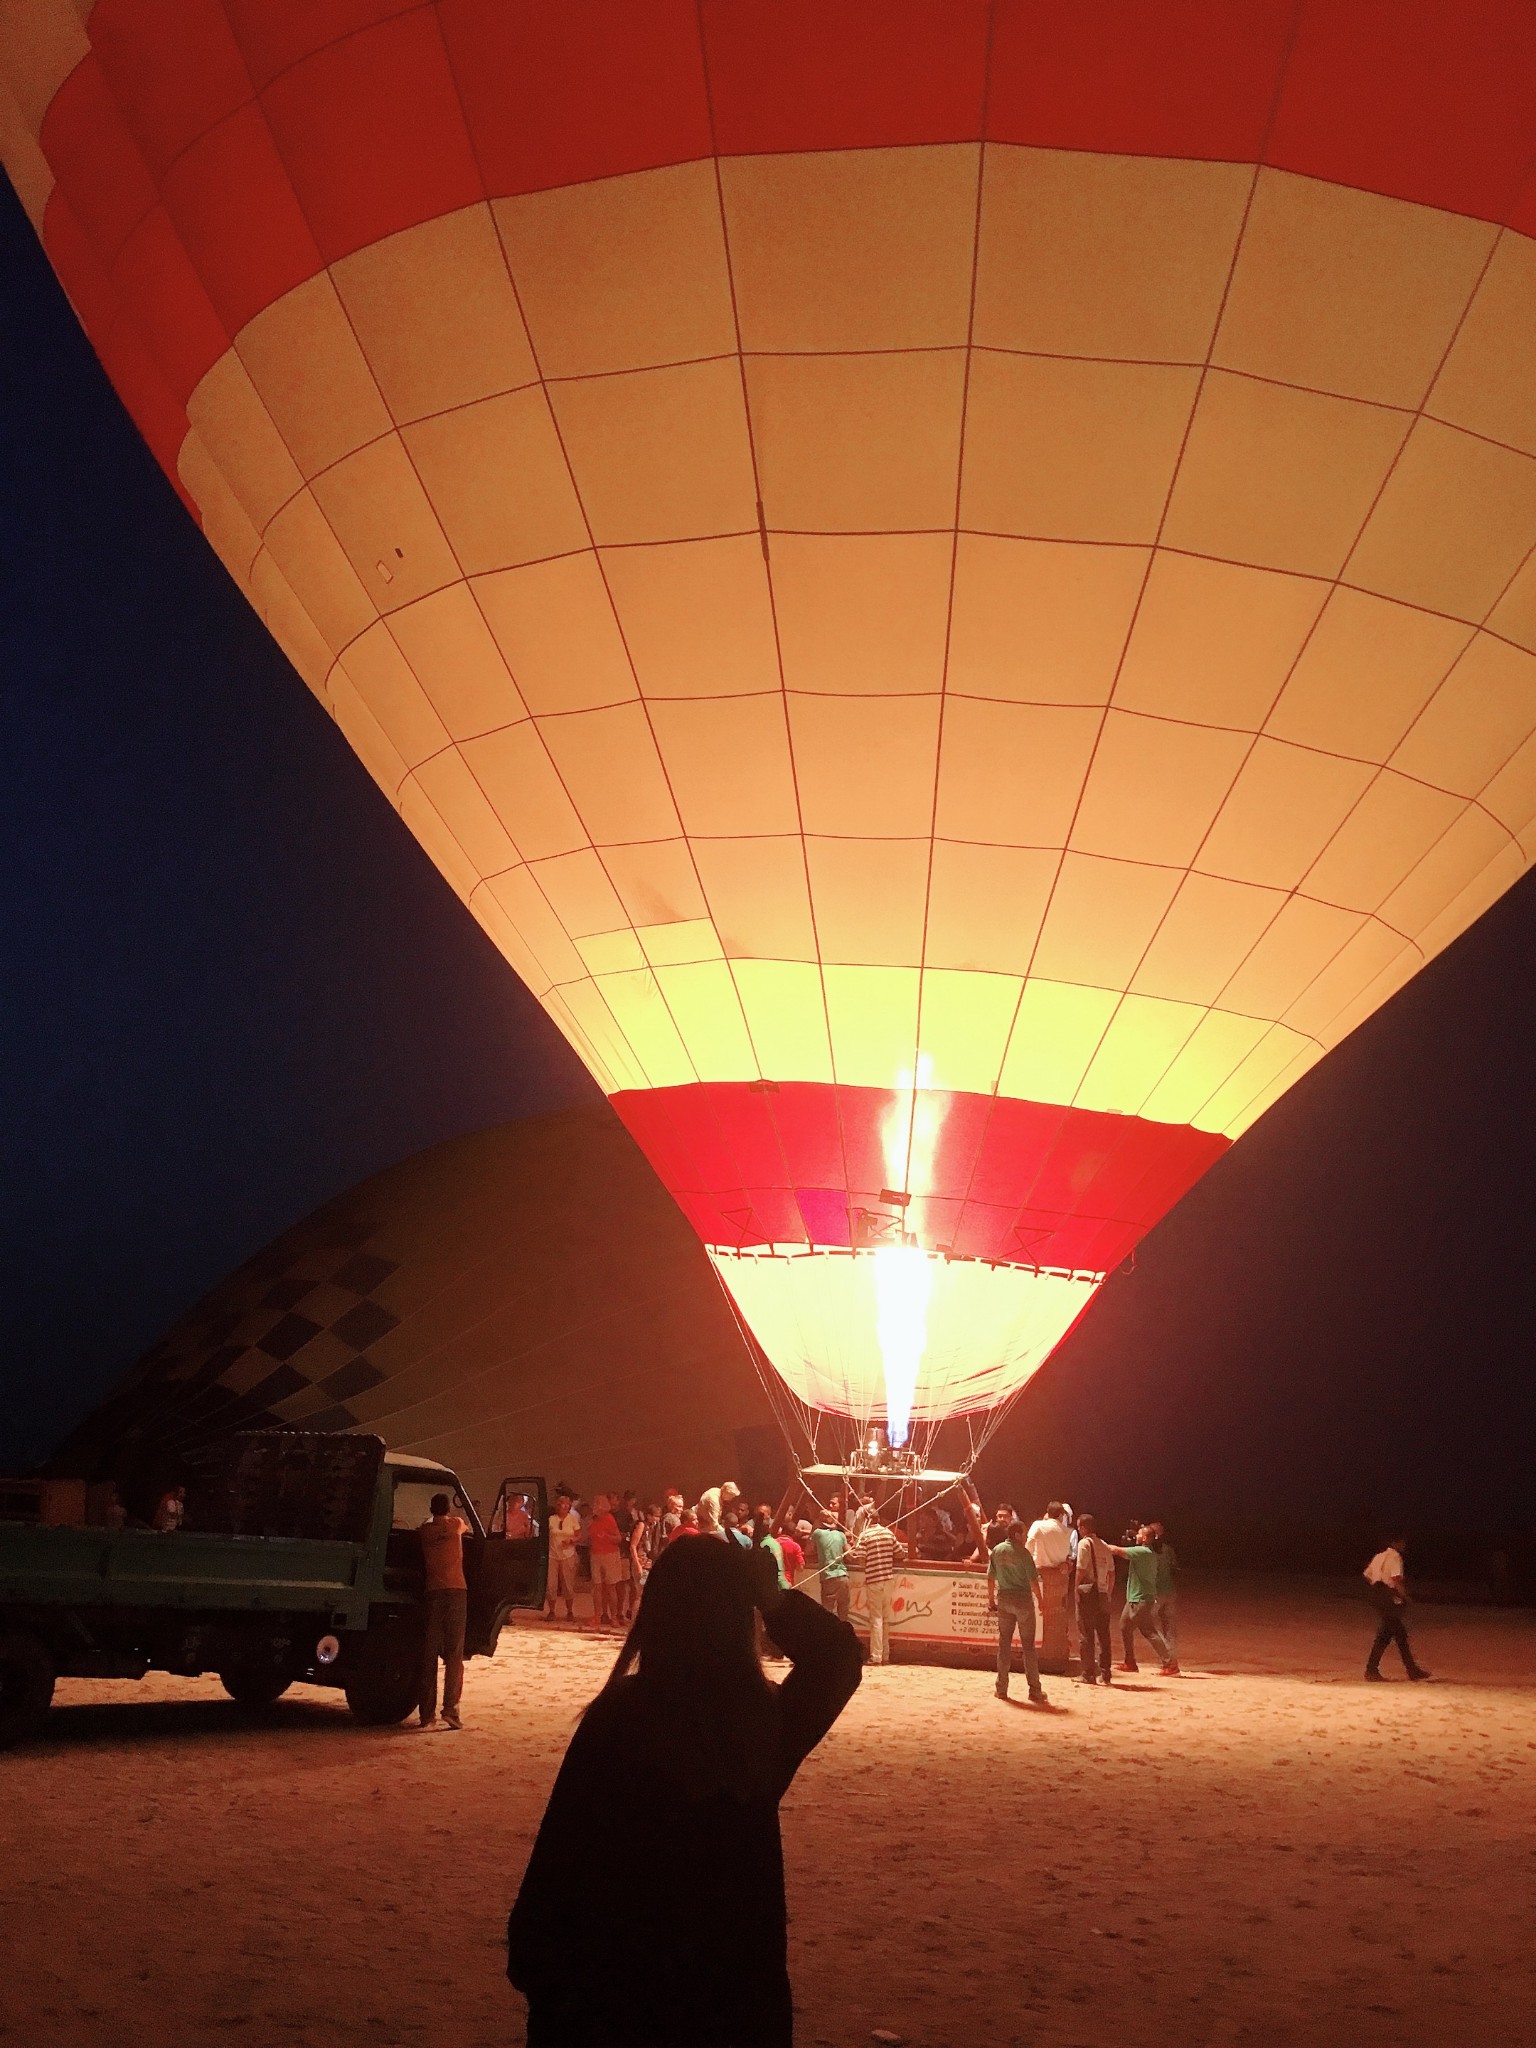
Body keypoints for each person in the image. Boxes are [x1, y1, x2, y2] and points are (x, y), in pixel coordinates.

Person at [506, 1532, 862, 2047]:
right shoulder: (758, 1728)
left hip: (617, 1995)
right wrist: (775, 1597)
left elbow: (562, 1852)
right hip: (729, 2000)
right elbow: (836, 1659)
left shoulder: (619, 1719)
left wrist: (540, 1971)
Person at [418, 1491, 469, 1730]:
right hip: (456, 1589)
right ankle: (451, 1709)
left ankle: (426, 1714)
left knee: (429, 1654)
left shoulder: (425, 1532)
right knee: (454, 1653)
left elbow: (425, 1526)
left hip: (433, 1591)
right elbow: (466, 1528)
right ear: (448, 1508)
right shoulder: (456, 1525)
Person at [987, 1517, 1047, 1704]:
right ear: (1017, 1534)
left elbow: (990, 1577)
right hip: (1023, 1601)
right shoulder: (1024, 1554)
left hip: (1004, 1599)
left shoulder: (997, 1551)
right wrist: (1041, 1601)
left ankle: (1001, 1689)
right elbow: (1033, 1581)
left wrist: (991, 1600)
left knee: (1004, 1645)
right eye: (1024, 1532)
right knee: (1028, 1647)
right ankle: (1035, 1691)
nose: (1026, 1535)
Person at [1109, 1527, 1178, 1675]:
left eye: (1140, 1534)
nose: (1137, 1536)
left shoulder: (1143, 1552)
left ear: (1145, 1539)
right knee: (1125, 1626)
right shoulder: (1147, 1552)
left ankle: (1170, 1664)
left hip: (1141, 1598)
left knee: (1149, 1631)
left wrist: (1095, 1543)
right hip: (1135, 1598)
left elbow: (1116, 1550)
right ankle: (1130, 1662)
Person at [1364, 1537, 1431, 1681]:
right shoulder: (1395, 1557)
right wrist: (1404, 1596)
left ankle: (1410, 1670)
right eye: (1402, 1542)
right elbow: (1396, 1578)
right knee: (1393, 1635)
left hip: (1378, 1594)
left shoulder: (1379, 1556)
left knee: (1394, 1634)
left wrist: (1379, 1584)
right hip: (1389, 1595)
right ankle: (1373, 1670)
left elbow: (1368, 1575)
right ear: (1395, 1543)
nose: (1404, 1545)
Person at [848, 1506, 907, 1665]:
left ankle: (876, 1656)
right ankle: (885, 1655)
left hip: (874, 1580)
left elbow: (861, 1560)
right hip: (888, 1579)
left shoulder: (865, 1535)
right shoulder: (888, 1533)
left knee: (876, 1619)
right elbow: (900, 1552)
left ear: (867, 1520)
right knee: (886, 1618)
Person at [1073, 1513, 1115, 1685]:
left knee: (1086, 1634)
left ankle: (1088, 1674)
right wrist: (1108, 1592)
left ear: (1083, 1527)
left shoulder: (1085, 1544)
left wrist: (1075, 1589)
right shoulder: (1104, 1546)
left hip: (1089, 1593)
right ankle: (1105, 1674)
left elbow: (1081, 1569)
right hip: (1103, 1594)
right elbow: (1112, 1573)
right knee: (1104, 1635)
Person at [586, 1492, 623, 1628]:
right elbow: (588, 1537)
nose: (594, 1506)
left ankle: (613, 1617)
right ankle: (598, 1616)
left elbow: (618, 1538)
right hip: (596, 1555)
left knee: (610, 1587)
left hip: (610, 1555)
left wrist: (606, 1536)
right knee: (597, 1587)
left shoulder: (609, 1519)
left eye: (597, 1504)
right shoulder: (592, 1520)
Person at [545, 1490, 581, 1622]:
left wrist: (571, 1541)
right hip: (552, 1555)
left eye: (566, 1506)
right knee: (551, 1584)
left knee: (567, 1583)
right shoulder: (551, 1519)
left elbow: (578, 1535)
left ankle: (570, 1611)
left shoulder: (572, 1520)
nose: (563, 1508)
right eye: (561, 1505)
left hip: (568, 1555)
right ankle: (552, 1611)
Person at [812, 1508, 850, 1622]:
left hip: (828, 1578)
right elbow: (850, 1554)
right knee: (843, 1616)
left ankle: (828, 1639)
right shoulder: (841, 1535)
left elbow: (809, 1549)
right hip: (843, 1577)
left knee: (827, 1617)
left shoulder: (817, 1533)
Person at [1149, 1521, 1179, 1664]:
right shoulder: (1168, 1550)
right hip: (1170, 1591)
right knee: (1169, 1628)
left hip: (1157, 1592)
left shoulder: (1149, 1550)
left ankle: (1167, 1659)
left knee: (1151, 1625)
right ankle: (1172, 1659)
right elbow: (1174, 1569)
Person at [613, 1490, 639, 1624]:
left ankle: (629, 1610)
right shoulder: (618, 1515)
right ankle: (619, 1613)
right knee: (621, 1585)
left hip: (633, 1553)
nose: (630, 1503)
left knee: (634, 1585)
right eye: (628, 1500)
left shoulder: (637, 1514)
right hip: (622, 1553)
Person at [775, 1520, 805, 1587]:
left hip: (772, 1580)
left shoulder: (773, 1543)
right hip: (787, 1581)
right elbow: (800, 1568)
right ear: (794, 1533)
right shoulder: (795, 1546)